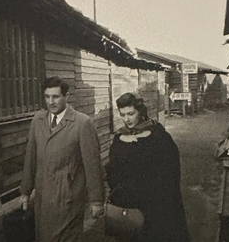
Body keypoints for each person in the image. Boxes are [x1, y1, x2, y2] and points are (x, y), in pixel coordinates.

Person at [20, 76, 105, 242]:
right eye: (47, 97)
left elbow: (92, 165)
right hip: (43, 196)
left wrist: (96, 200)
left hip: (68, 197)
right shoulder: (38, 120)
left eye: (56, 97)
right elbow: (30, 158)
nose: (51, 102)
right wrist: (25, 191)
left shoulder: (82, 123)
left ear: (67, 96)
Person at [105, 92, 189, 242]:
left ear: (140, 112)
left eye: (131, 114)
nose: (126, 119)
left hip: (156, 203)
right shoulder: (119, 139)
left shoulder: (158, 136)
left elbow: (172, 170)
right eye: (122, 115)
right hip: (129, 202)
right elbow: (112, 170)